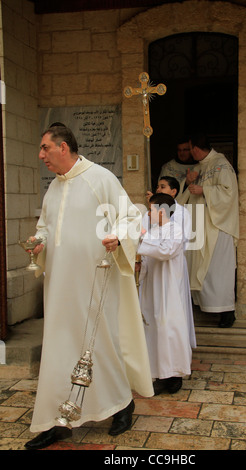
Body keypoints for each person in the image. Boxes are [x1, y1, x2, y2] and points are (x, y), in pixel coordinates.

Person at [25, 126, 153, 450]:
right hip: (59, 287)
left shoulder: (101, 179)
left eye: (45, 148)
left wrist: (119, 238)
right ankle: (58, 419)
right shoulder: (53, 188)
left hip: (95, 282)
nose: (41, 156)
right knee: (58, 349)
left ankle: (122, 404)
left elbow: (130, 218)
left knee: (99, 345)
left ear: (63, 147)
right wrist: (38, 243)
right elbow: (45, 227)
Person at [177, 132, 239, 328]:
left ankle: (227, 312)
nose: (188, 153)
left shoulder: (221, 164)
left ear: (196, 147)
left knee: (217, 270)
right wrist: (188, 184)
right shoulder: (199, 167)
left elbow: (229, 193)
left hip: (216, 227)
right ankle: (202, 306)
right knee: (198, 267)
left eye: (189, 149)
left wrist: (205, 190)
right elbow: (185, 195)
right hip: (199, 225)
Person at [137, 193, 193, 395]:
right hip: (153, 288)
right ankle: (159, 373)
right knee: (154, 328)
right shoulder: (153, 232)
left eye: (150, 210)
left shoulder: (175, 231)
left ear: (161, 211)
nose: (148, 214)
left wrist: (142, 238)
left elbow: (166, 251)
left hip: (169, 288)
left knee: (169, 328)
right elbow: (146, 259)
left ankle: (175, 374)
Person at [142, 176, 196, 349]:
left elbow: (176, 244)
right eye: (158, 186)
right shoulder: (151, 213)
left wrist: (146, 243)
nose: (158, 189)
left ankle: (175, 355)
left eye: (163, 187)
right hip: (153, 269)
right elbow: (144, 233)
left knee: (172, 315)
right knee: (155, 314)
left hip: (171, 269)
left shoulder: (181, 215)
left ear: (174, 191)